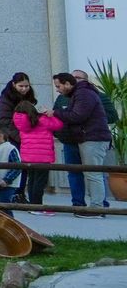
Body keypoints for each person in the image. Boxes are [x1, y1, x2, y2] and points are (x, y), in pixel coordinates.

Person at [51, 71, 112, 214]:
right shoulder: (79, 94)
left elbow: (77, 116)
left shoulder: (83, 93)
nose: (57, 89)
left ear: (67, 84)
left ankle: (97, 208)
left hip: (93, 138)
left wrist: (55, 113)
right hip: (88, 138)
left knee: (93, 174)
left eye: (58, 86)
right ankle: (94, 207)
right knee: (91, 173)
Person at [11, 93, 60, 213]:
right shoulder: (42, 120)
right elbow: (58, 125)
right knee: (40, 182)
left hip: (27, 157)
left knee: (32, 181)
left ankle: (32, 206)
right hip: (43, 157)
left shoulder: (21, 124)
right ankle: (37, 207)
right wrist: (48, 114)